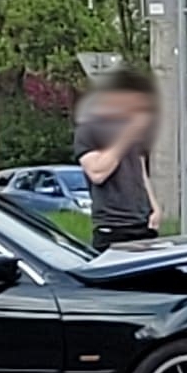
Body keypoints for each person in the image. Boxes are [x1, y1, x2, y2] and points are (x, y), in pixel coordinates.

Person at [74, 77, 161, 251]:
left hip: (143, 224)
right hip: (113, 226)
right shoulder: (88, 131)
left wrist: (155, 207)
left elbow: (141, 170)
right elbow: (97, 174)